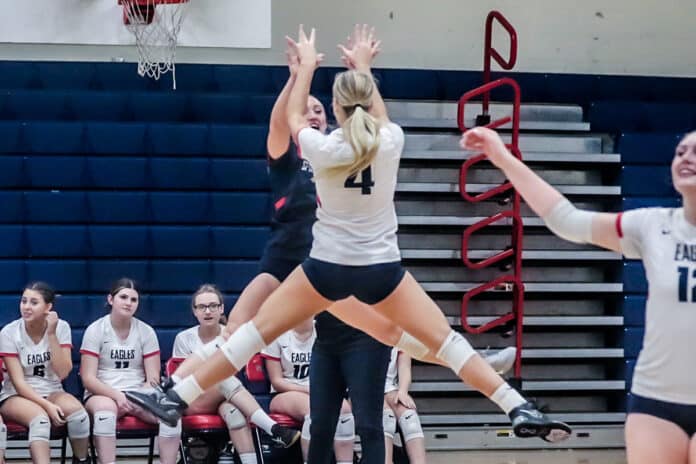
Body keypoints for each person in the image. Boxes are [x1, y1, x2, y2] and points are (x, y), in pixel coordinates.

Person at [126, 24, 570, 445]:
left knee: (254, 335)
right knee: (445, 341)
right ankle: (515, 404)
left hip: (325, 270)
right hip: (368, 268)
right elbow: (358, 116)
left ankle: (174, 395)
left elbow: (296, 116)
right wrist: (361, 67)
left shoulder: (321, 149)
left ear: (335, 111)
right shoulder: (390, 140)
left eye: (326, 108)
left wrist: (304, 69)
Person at [460, 127, 696, 463]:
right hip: (655, 401)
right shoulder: (652, 225)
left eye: (695, 152)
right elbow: (567, 220)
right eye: (681, 151)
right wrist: (502, 157)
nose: (686, 158)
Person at [171, 284, 300, 462]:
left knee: (236, 417)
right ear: (195, 311)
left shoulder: (231, 335)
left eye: (213, 306)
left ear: (221, 308)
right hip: (192, 399)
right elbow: (184, 380)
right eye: (202, 307)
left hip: (223, 397)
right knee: (223, 378)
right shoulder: (184, 338)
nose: (208, 311)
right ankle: (273, 429)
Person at [79, 278, 179, 464]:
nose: (128, 303)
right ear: (111, 300)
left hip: (137, 392)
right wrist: (117, 395)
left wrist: (137, 396)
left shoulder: (146, 332)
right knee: (105, 413)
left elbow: (153, 378)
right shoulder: (95, 330)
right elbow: (88, 378)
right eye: (123, 297)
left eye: (133, 300)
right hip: (102, 393)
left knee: (171, 414)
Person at [0, 282, 90, 464]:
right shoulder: (9, 333)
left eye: (34, 302)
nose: (26, 307)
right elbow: (18, 383)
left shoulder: (61, 327)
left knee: (79, 416)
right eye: (24, 301)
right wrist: (46, 406)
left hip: (52, 390)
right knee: (40, 420)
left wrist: (51, 334)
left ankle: (81, 460)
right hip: (15, 394)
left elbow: (63, 372)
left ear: (48, 307)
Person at [262, 318, 354, 464]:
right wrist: (310, 390)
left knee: (346, 412)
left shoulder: (325, 331)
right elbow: (277, 381)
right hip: (285, 393)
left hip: (320, 391)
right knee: (315, 412)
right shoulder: (277, 333)